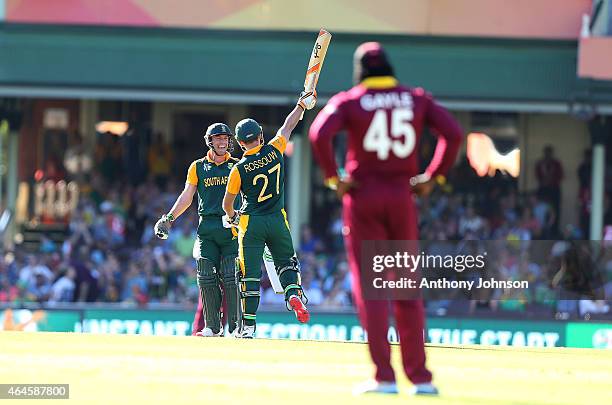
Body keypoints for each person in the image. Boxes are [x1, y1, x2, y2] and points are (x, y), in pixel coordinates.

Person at [309, 42, 463, 395]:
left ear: (360, 69)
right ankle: (421, 379)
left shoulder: (350, 100)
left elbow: (319, 133)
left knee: (372, 288)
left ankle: (384, 377)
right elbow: (453, 134)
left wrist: (334, 178)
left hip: (363, 196)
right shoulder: (416, 98)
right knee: (406, 286)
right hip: (402, 196)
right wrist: (433, 176)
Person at [222, 91, 317, 338]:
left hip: (251, 223)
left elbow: (227, 204)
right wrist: (301, 105)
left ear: (240, 143)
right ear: (261, 137)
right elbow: (289, 125)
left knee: (250, 275)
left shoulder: (238, 169)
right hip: (277, 219)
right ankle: (293, 293)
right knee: (286, 263)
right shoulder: (275, 150)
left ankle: (249, 327)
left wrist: (231, 217)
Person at [155, 123, 240, 337]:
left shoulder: (238, 166)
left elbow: (250, 196)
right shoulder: (198, 167)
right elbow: (187, 196)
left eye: (225, 138)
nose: (222, 142)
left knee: (231, 276)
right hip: (207, 227)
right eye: (217, 138)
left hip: (231, 226)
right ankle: (212, 327)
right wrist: (169, 217)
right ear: (209, 141)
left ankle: (237, 327)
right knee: (205, 274)